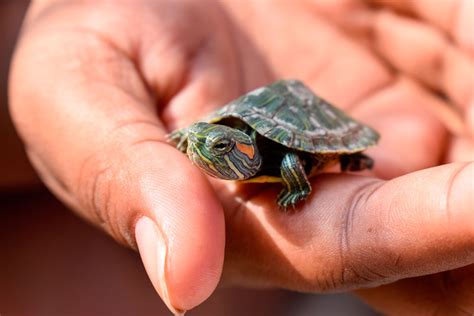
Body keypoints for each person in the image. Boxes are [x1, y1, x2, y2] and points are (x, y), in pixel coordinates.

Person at [8, 0, 473, 314]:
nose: (208, 149)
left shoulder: (273, 156)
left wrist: (297, 185)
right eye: (212, 145)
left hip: (305, 131)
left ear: (245, 148)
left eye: (222, 147)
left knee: (341, 159)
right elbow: (201, 136)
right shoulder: (217, 140)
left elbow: (293, 163)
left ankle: (351, 157)